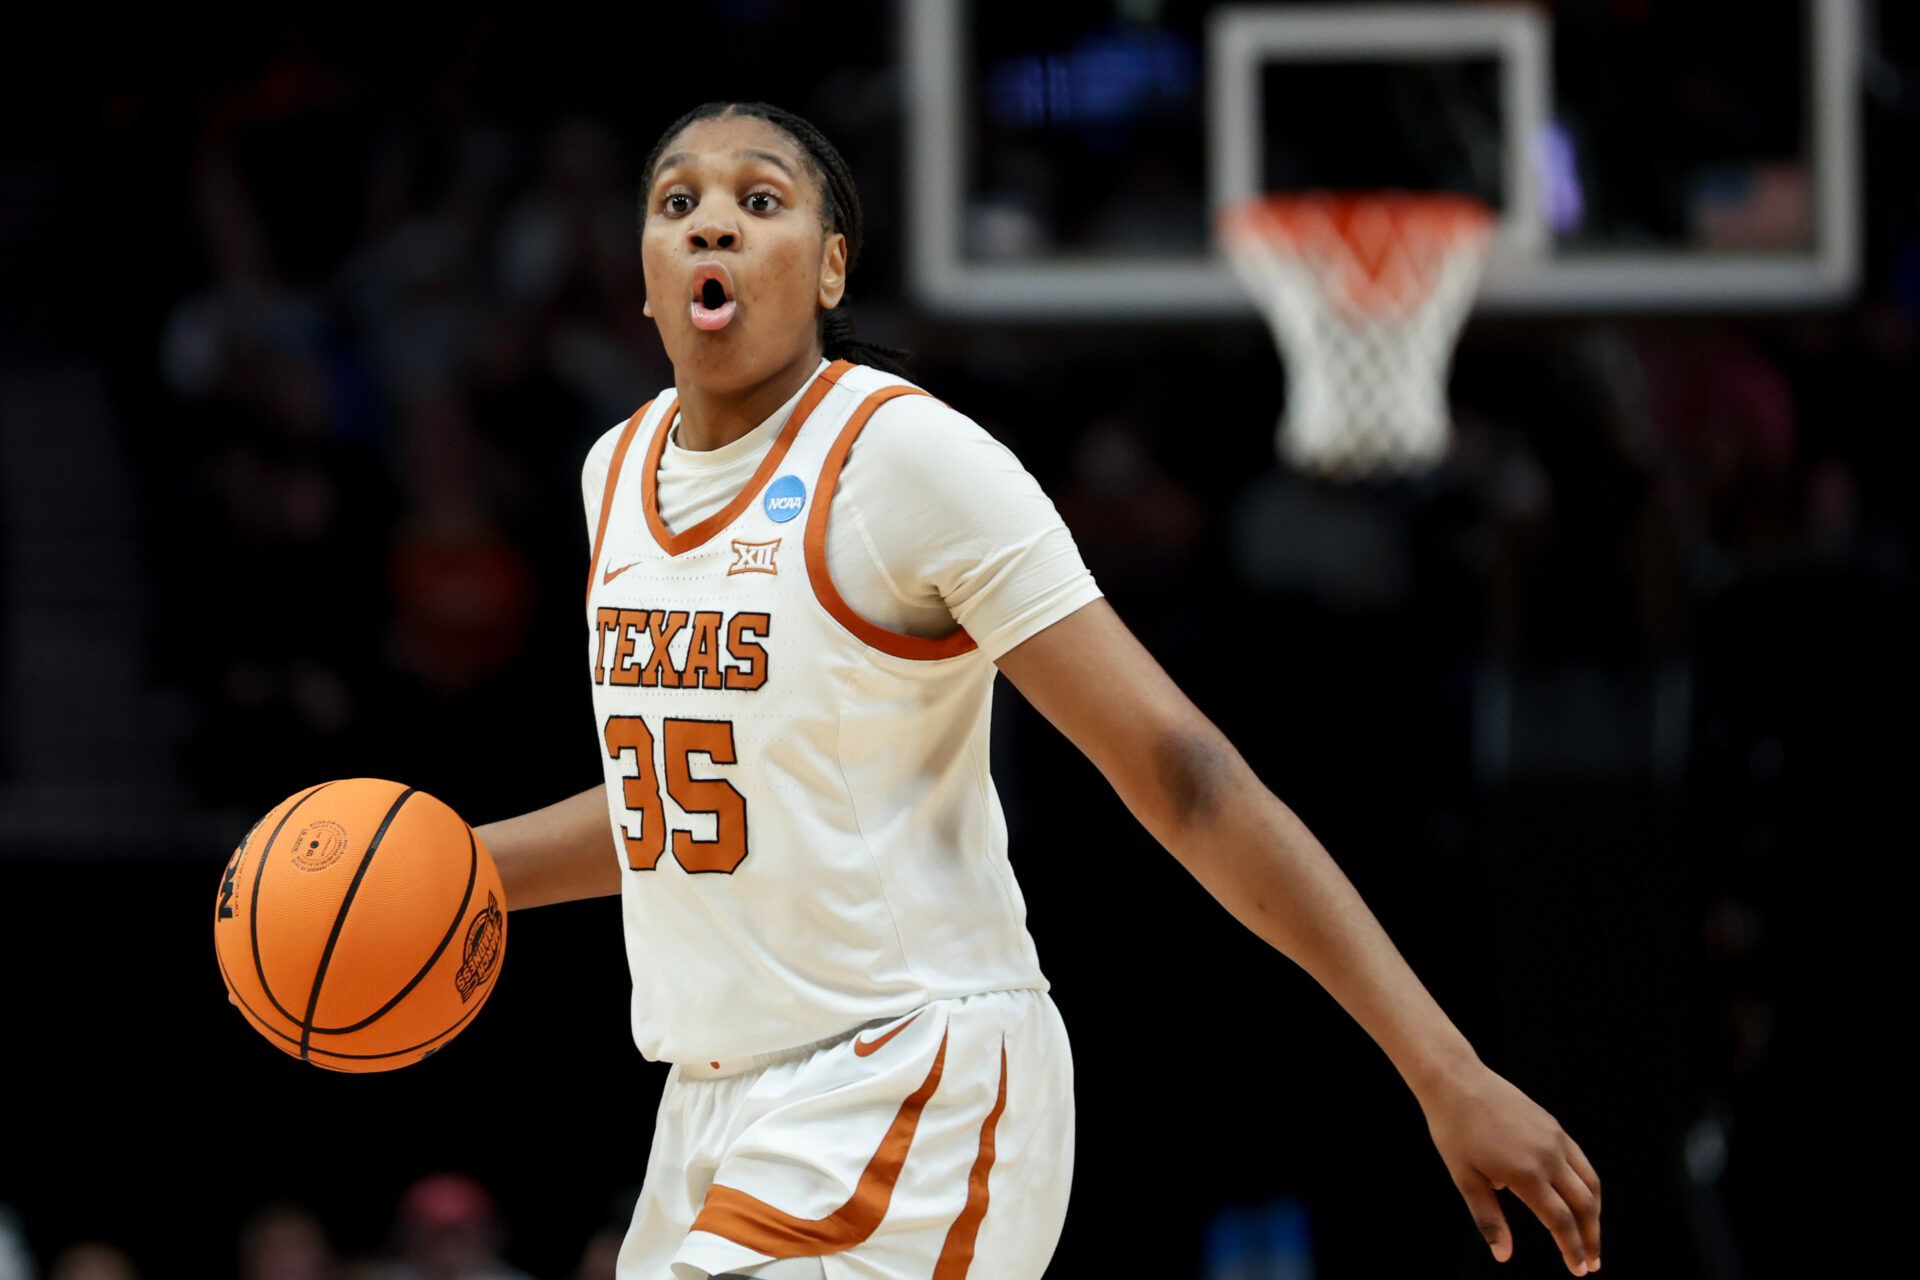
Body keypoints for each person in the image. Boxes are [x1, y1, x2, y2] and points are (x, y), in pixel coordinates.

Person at [473, 101, 1602, 1280]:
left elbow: (1188, 775)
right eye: (677, 204)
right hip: (712, 1101)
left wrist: (1443, 1066)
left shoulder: (904, 460)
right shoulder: (617, 474)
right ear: (644, 279)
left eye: (759, 202)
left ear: (831, 270)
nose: (713, 226)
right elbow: (702, 808)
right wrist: (447, 867)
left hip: (911, 1067)